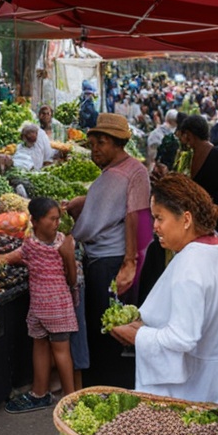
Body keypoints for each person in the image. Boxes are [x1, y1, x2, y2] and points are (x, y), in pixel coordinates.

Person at [110, 174, 218, 403]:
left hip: (187, 390)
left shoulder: (190, 265)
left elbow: (183, 338)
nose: (154, 227)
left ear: (186, 219)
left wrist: (138, 335)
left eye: (159, 218)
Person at [65, 113, 150, 389]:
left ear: (118, 143)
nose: (95, 149)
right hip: (121, 260)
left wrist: (69, 233)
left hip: (108, 263)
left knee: (106, 328)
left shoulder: (115, 176)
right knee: (120, 325)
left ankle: (104, 387)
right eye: (92, 144)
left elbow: (126, 219)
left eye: (101, 142)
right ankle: (120, 383)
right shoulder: (135, 169)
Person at [0, 198, 78, 413]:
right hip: (39, 309)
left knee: (61, 350)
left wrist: (68, 256)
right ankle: (39, 393)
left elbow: (71, 278)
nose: (57, 223)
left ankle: (70, 401)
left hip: (58, 307)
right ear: (35, 221)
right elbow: (13, 257)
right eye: (52, 219)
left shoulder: (64, 243)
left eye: (58, 218)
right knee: (39, 345)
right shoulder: (30, 245)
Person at [173, 114, 218, 234]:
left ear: (188, 135)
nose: (182, 140)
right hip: (204, 218)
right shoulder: (190, 156)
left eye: (182, 135)